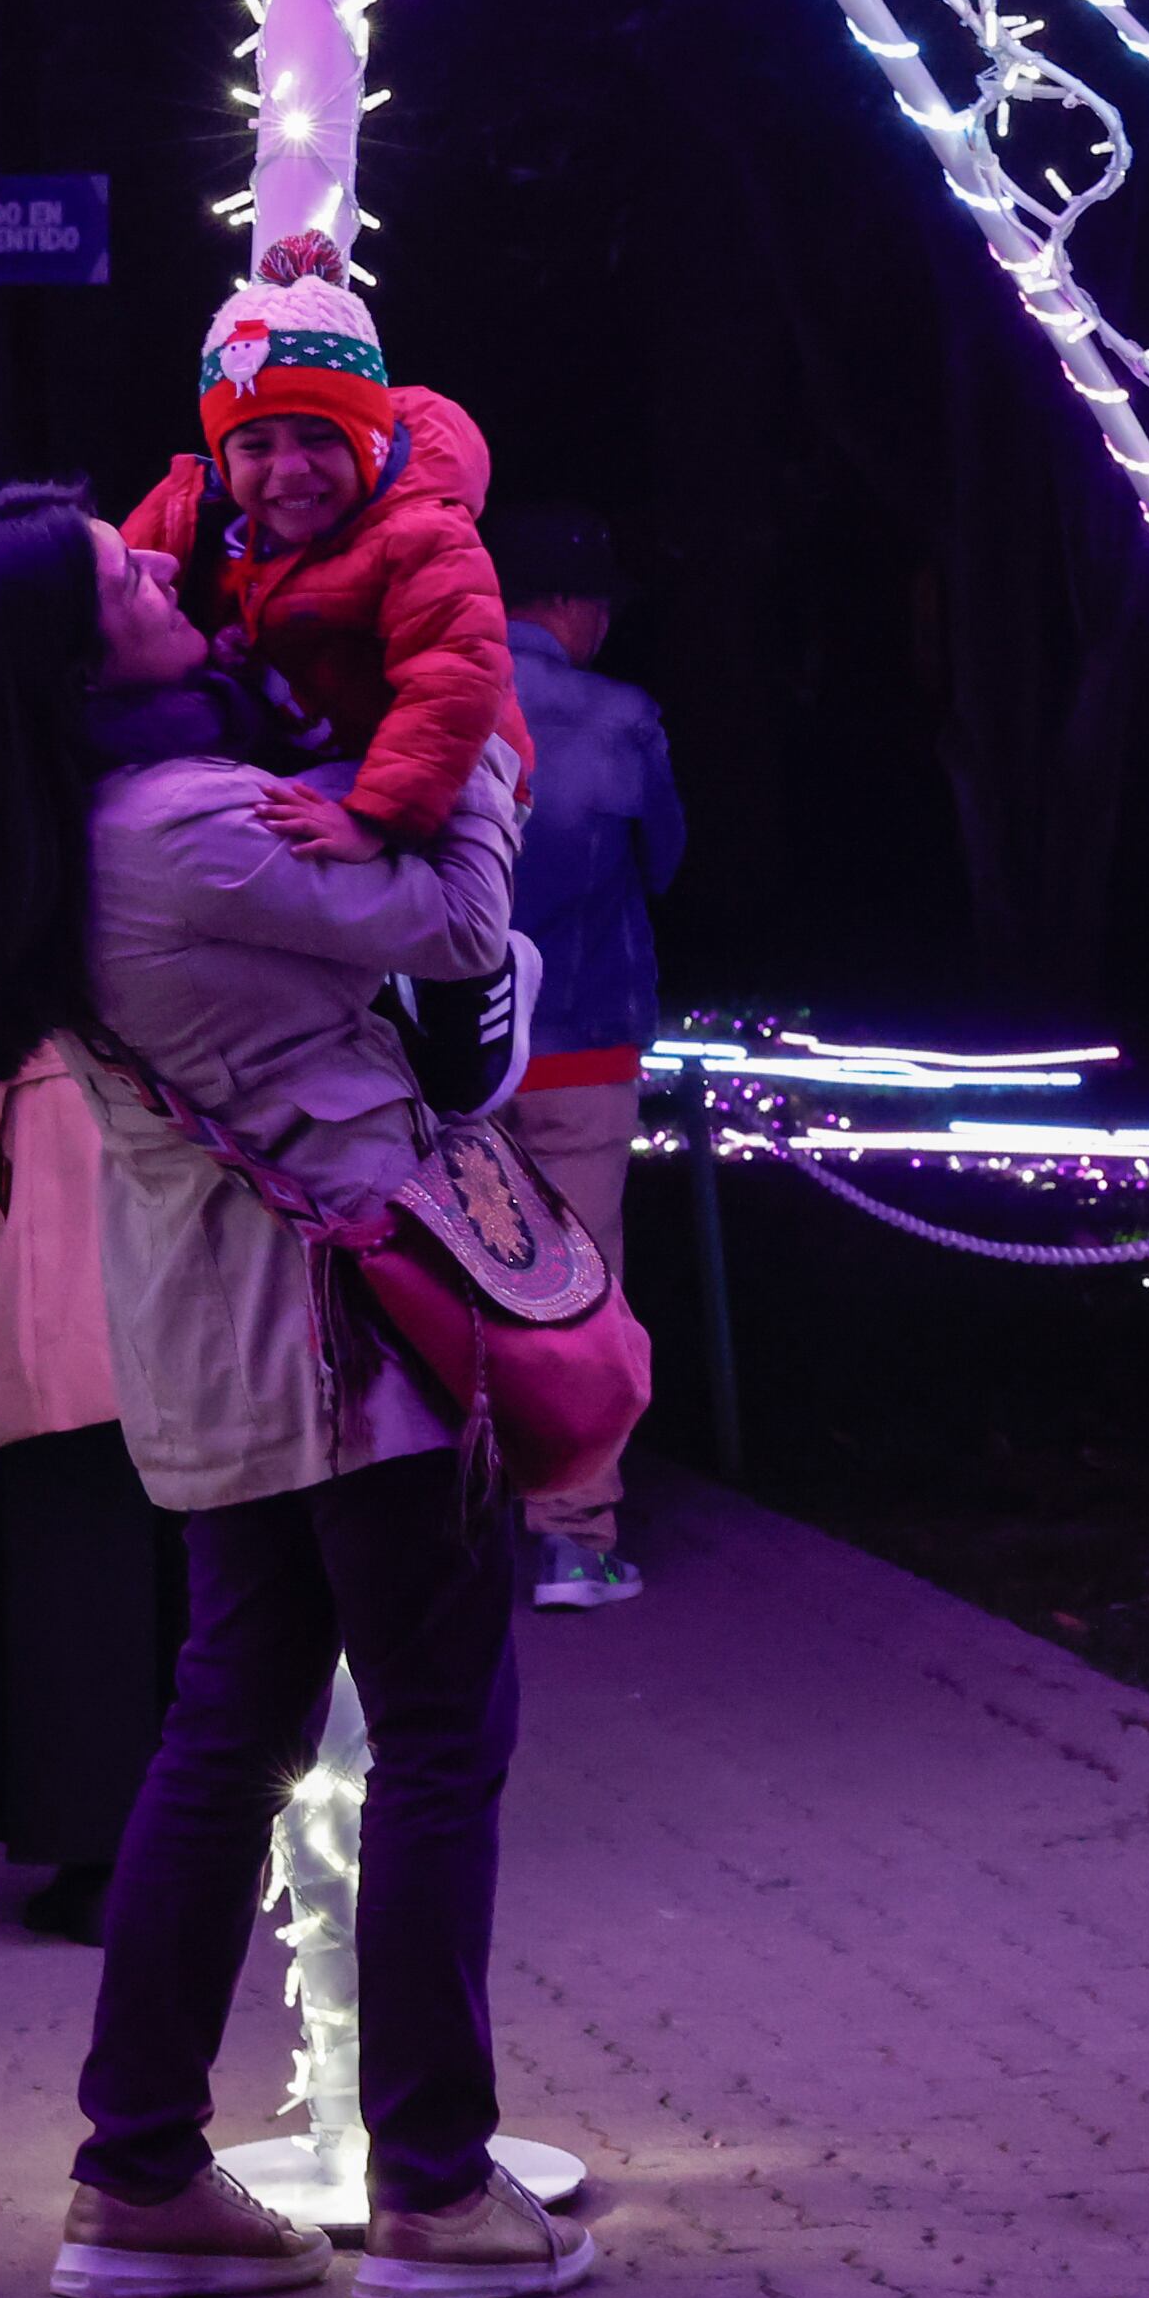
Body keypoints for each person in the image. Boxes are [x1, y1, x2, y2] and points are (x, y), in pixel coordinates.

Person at [0, 483, 591, 2298]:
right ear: (69, 655)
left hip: (209, 1338)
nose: (159, 566)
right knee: (438, 1732)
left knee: (222, 1736)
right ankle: (435, 2189)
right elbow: (449, 924)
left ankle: (138, 2175)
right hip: (348, 1344)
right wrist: (474, 716)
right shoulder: (186, 827)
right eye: (121, 575)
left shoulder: (49, 838)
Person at [120, 227, 530, 855]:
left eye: (319, 438)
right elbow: (88, 595)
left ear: (369, 438)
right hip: (309, 760)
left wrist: (376, 820)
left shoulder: (420, 529)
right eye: (255, 446)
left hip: (440, 778)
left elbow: (457, 676)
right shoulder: (196, 510)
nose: (289, 470)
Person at [0, 1030, 185, 1942]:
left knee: (72, 1585)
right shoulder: (198, 892)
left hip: (62, 1300)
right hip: (207, 1289)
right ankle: (211, 1838)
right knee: (198, 1569)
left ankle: (100, 1859)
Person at [493, 502, 681, 1611]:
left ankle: (451, 1521)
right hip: (582, 1039)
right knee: (576, 1289)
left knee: (452, 1278)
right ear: (568, 607)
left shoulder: (435, 699)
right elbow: (667, 860)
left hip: (453, 1056)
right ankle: (574, 1536)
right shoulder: (622, 718)